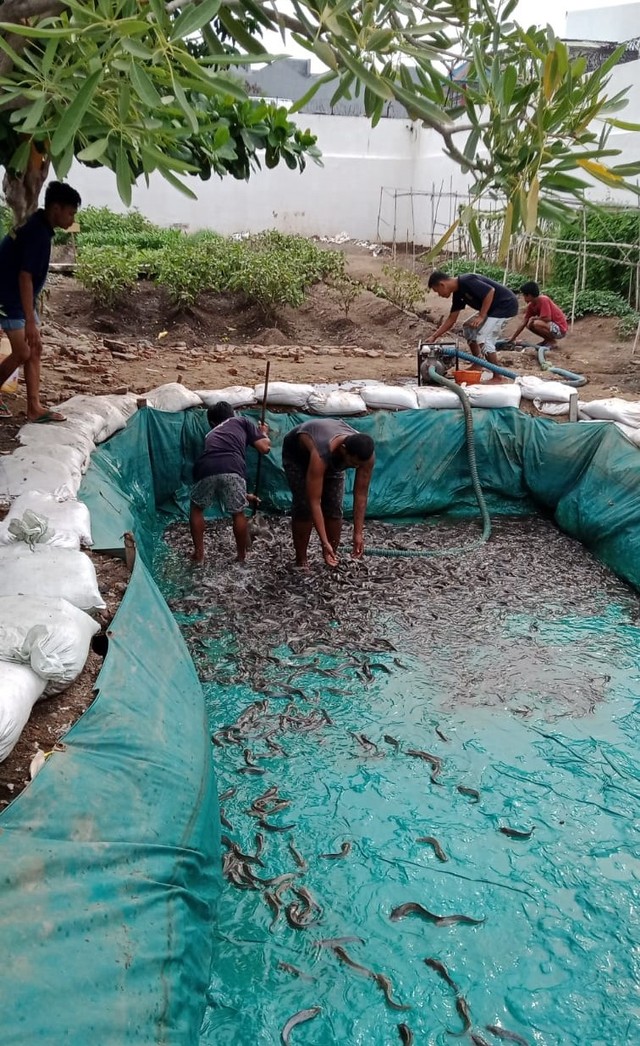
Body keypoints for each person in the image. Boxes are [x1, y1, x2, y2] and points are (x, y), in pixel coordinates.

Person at [0, 180, 82, 422]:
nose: (71, 219)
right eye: (70, 213)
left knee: (34, 349)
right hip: (8, 296)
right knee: (24, 351)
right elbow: (25, 277)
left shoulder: (37, 223)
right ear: (56, 208)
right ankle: (32, 406)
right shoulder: (38, 235)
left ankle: (34, 407)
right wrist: (30, 320)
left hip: (18, 296)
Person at [282, 419, 375, 569]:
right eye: (353, 463)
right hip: (298, 457)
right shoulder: (321, 452)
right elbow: (315, 501)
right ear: (344, 449)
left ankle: (332, 555)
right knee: (304, 506)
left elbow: (361, 495)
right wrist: (323, 542)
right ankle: (301, 560)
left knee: (334, 507)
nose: (356, 467)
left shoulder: (366, 456)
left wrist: (358, 534)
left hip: (334, 459)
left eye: (359, 464)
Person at [190, 401, 271, 565]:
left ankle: (199, 555)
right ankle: (241, 557)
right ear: (232, 414)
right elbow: (264, 448)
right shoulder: (242, 421)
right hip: (233, 468)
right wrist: (263, 433)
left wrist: (245, 495)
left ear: (212, 423)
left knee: (196, 509)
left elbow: (218, 479)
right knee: (238, 514)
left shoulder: (210, 435)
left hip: (206, 468)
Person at [427, 270, 518, 380]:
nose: (439, 295)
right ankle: (478, 363)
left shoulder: (467, 280)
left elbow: (490, 291)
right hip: (492, 309)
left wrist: (482, 315)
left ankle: (497, 376)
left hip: (505, 305)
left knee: (484, 339)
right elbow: (451, 319)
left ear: (442, 284)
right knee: (468, 328)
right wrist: (434, 336)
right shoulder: (458, 294)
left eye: (437, 291)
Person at [511, 281, 568, 350]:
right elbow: (524, 322)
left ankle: (552, 342)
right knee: (529, 324)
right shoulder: (531, 305)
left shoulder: (543, 300)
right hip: (551, 327)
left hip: (560, 329)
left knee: (536, 323)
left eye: (524, 295)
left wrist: (534, 318)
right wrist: (513, 338)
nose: (523, 298)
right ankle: (547, 340)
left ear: (529, 295)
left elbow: (547, 318)